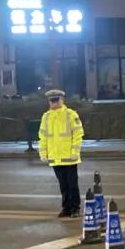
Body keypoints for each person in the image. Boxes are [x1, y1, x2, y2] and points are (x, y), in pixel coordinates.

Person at [38, 89, 84, 218]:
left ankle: (75, 208)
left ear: (62, 100)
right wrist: (43, 153)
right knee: (63, 185)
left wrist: (75, 152)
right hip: (55, 157)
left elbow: (78, 135)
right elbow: (43, 137)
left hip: (69, 157)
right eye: (52, 101)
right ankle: (66, 208)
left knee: (72, 185)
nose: (54, 103)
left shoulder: (71, 114)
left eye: (56, 100)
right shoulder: (46, 117)